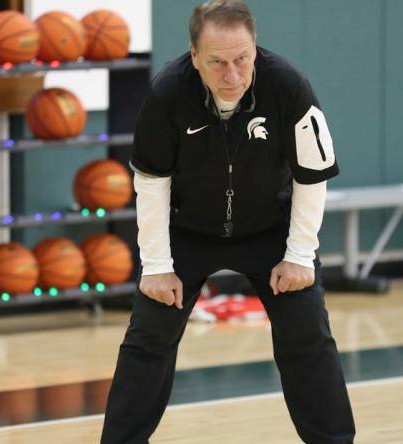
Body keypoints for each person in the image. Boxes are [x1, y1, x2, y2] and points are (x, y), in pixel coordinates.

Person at [101, 1, 355, 442]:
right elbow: (152, 183)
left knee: (308, 334)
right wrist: (157, 265)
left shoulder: (288, 86)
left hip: (269, 230)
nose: (232, 75)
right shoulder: (168, 93)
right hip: (189, 232)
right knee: (148, 339)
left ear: (255, 48)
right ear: (194, 56)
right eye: (217, 62)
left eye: (242, 59)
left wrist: (299, 256)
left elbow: (312, 176)